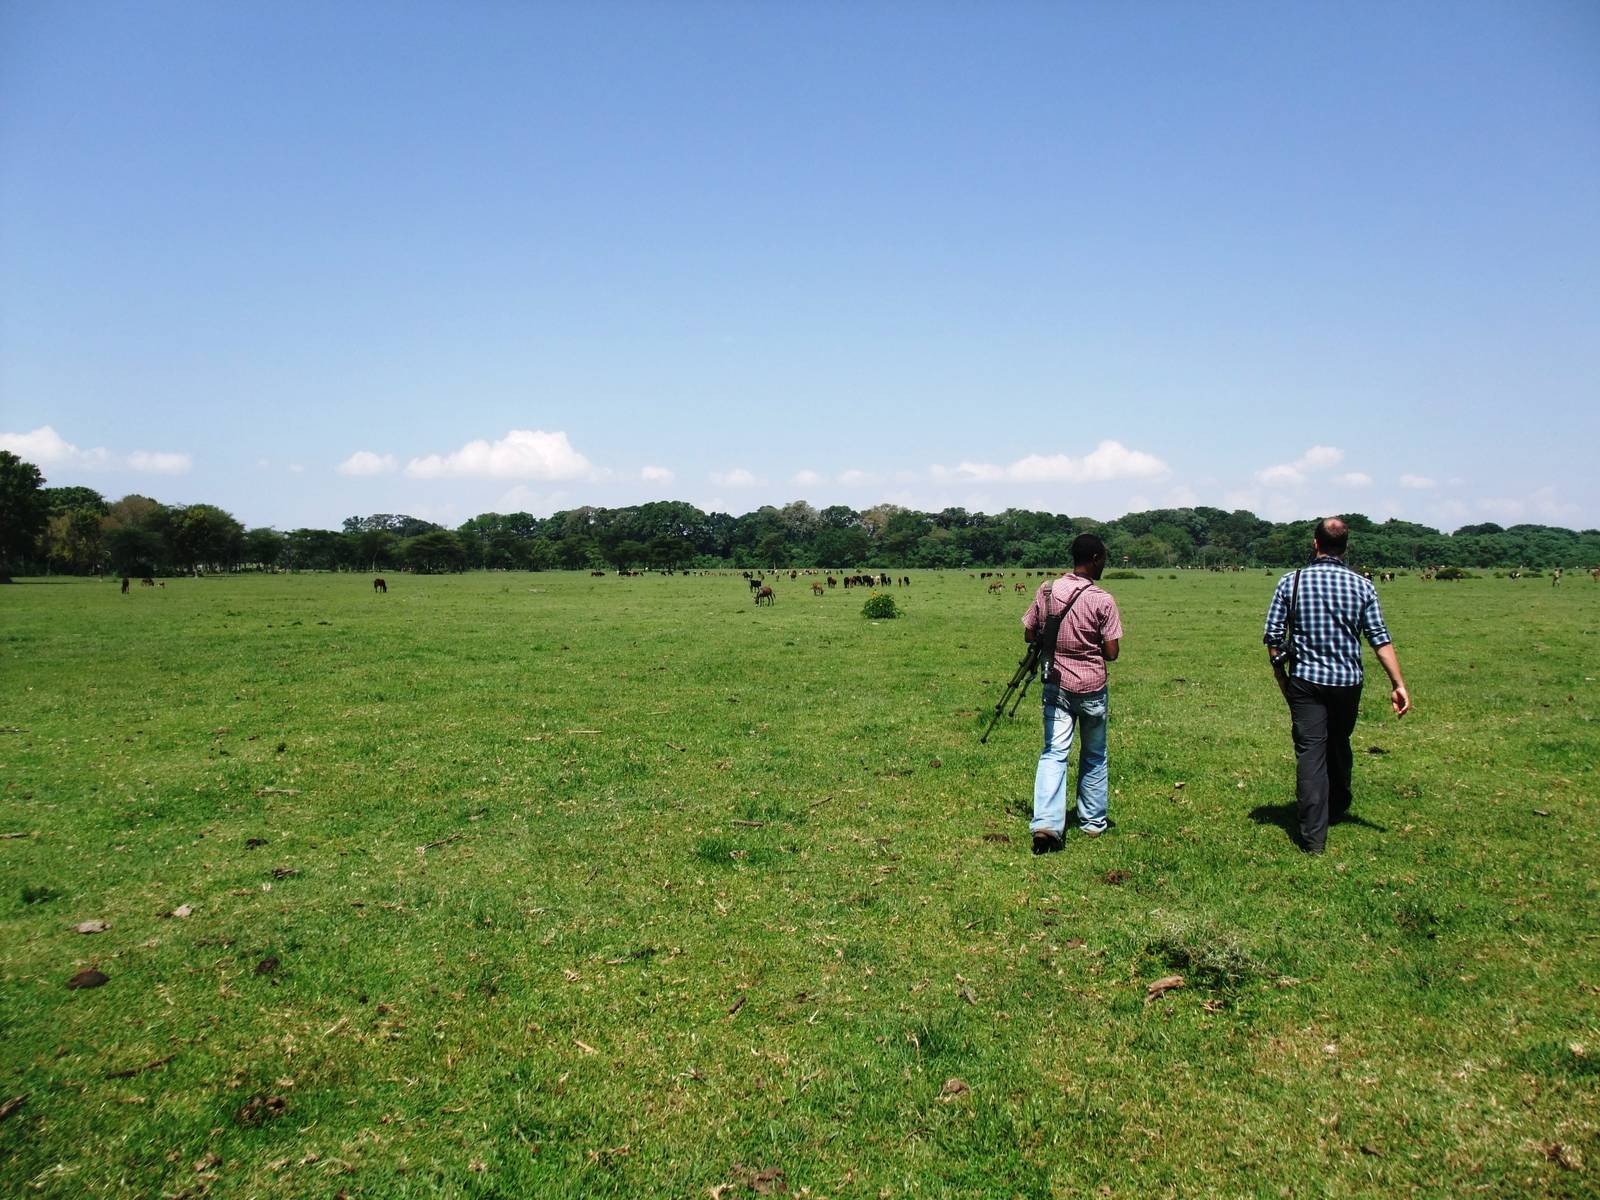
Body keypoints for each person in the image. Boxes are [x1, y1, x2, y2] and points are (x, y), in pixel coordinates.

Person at [1263, 518, 1410, 854]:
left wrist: (1282, 677)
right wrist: (1398, 683)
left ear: (1315, 543)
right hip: (1347, 682)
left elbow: (1273, 636)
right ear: (1345, 547)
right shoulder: (1363, 585)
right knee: (1339, 741)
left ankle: (1314, 839)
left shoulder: (1291, 582)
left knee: (1310, 752)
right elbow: (1379, 639)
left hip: (1306, 680)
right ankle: (1338, 803)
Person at [1024, 533, 1123, 854]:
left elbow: (1029, 632)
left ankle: (1046, 824)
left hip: (1055, 684)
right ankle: (1092, 822)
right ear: (1095, 559)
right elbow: (1112, 652)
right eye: (1103, 558)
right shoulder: (1103, 599)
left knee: (1054, 752)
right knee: (1094, 754)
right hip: (1092, 688)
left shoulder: (1047, 590)